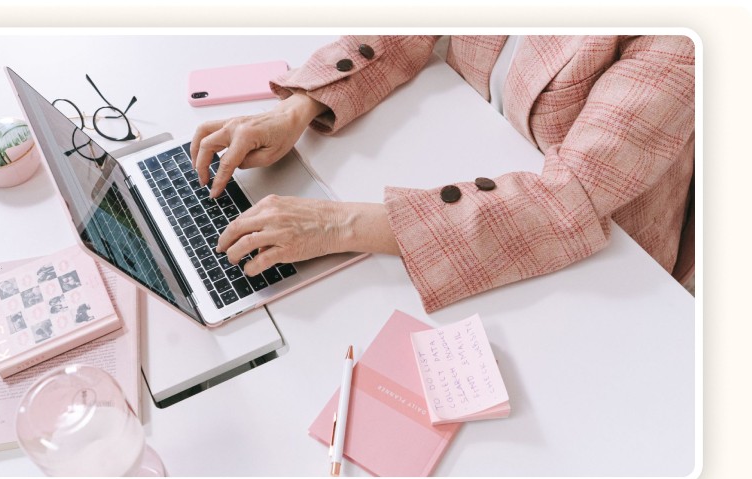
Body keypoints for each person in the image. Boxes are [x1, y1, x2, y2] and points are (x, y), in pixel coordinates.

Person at [190, 35, 695, 312]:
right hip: (451, 161)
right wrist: (297, 108)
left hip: (600, 266)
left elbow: (568, 196)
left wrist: (334, 226)